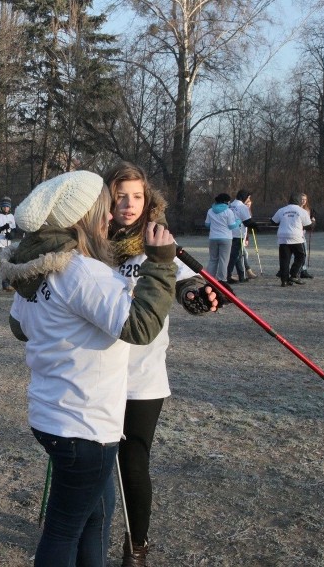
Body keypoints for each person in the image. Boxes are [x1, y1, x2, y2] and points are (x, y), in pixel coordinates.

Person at [0, 170, 177, 567]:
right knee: (63, 531)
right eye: (105, 209)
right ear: (86, 217)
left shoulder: (40, 271)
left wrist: (61, 332)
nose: (112, 217)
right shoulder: (84, 273)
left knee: (94, 518)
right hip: (85, 427)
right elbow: (141, 325)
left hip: (52, 417)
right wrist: (161, 264)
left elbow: (19, 327)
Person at [104, 162, 219, 567]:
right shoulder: (91, 242)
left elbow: (187, 283)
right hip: (95, 373)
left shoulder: (158, 240)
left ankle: (136, 545)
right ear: (107, 198)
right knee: (96, 463)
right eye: (121, 195)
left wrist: (196, 297)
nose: (129, 204)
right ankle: (86, 532)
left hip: (142, 374)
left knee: (132, 460)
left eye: (137, 196)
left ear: (148, 200)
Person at [271, 193, 313, 287]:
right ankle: (294, 274)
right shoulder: (301, 211)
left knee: (284, 260)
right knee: (301, 256)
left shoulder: (282, 210)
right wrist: (313, 222)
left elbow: (273, 221)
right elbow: (308, 225)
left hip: (283, 237)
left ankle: (284, 281)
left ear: (289, 200)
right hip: (296, 237)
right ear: (298, 201)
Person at [203, 193, 239, 283]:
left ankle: (209, 278)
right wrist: (238, 222)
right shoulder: (228, 211)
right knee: (223, 260)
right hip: (226, 237)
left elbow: (207, 224)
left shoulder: (210, 211)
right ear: (226, 201)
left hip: (213, 237)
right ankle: (222, 279)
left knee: (213, 259)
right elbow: (231, 226)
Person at [226, 190, 258, 283]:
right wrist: (255, 226)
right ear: (244, 197)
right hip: (238, 233)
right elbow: (247, 221)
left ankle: (241, 275)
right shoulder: (242, 207)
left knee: (238, 255)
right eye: (248, 197)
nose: (248, 200)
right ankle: (228, 276)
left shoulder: (230, 205)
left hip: (229, 233)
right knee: (235, 256)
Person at [298, 193, 316, 279]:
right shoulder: (297, 208)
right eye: (301, 199)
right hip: (297, 233)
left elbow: (309, 221)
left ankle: (303, 270)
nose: (303, 201)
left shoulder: (308, 210)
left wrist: (312, 221)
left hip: (303, 233)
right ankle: (301, 270)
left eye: (305, 199)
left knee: (304, 252)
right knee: (300, 253)